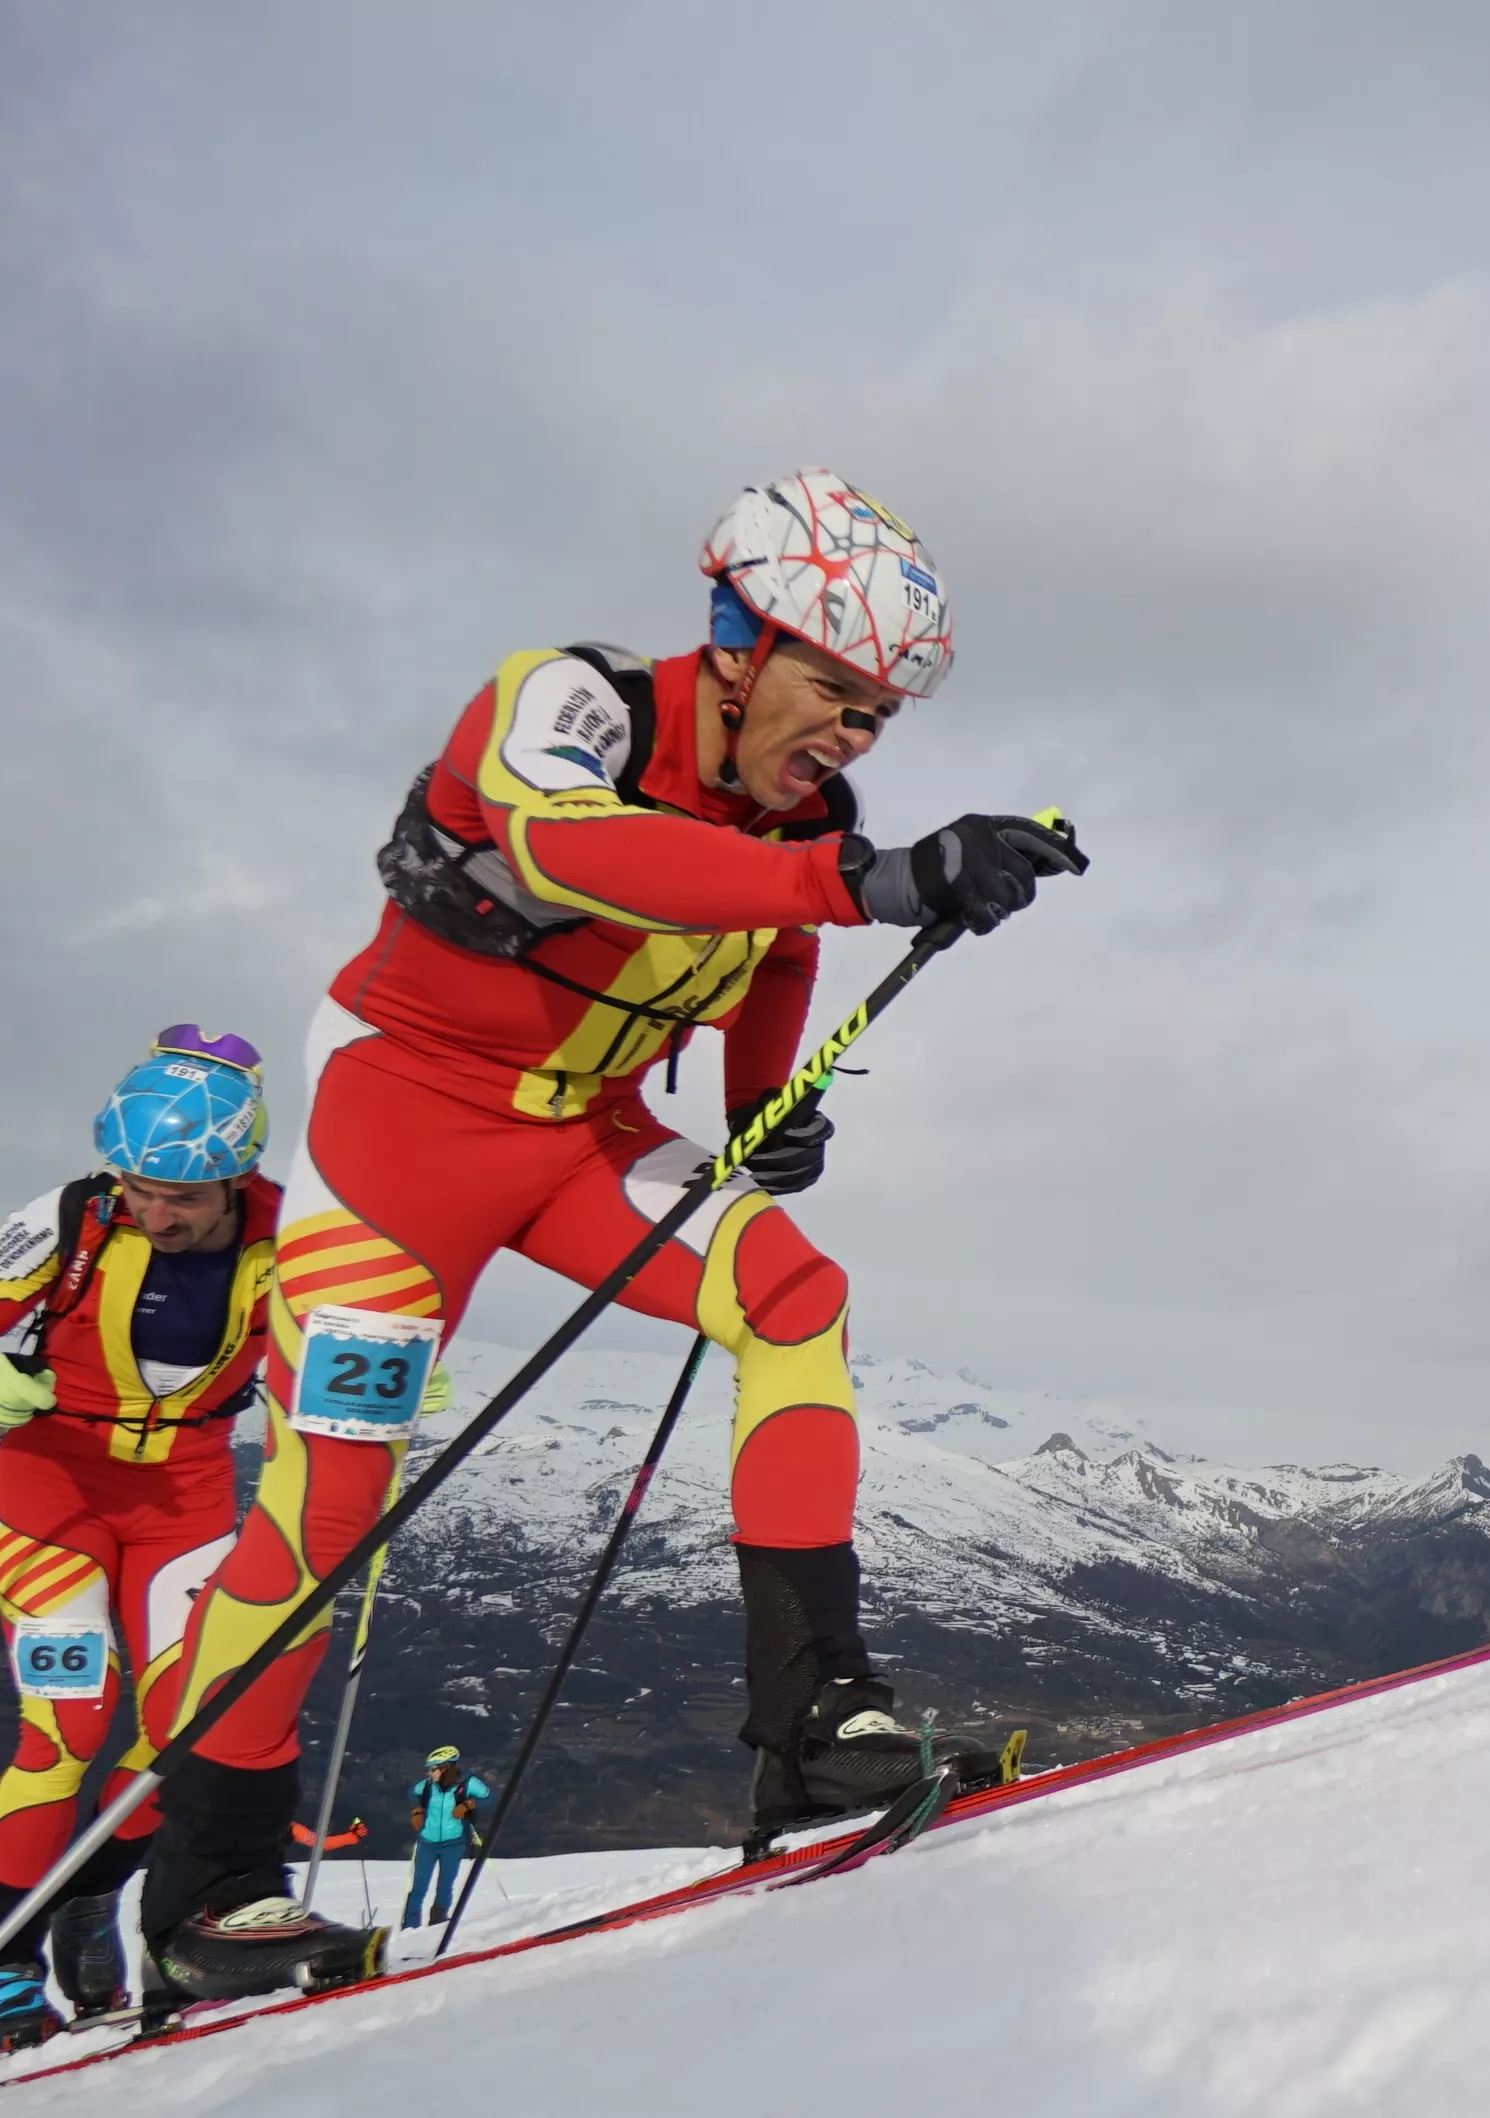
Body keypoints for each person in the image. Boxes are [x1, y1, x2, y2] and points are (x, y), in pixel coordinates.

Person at [136, 468, 1089, 2003]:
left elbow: (771, 951)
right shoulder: (567, 704)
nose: (848, 740)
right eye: (832, 694)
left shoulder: (809, 820)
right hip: (400, 1136)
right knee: (327, 1503)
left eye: (878, 719)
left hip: (589, 1135)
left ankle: (812, 1729)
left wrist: (765, 1110)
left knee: (792, 1291)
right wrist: (872, 876)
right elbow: (584, 851)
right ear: (734, 643)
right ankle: (212, 1876)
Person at [0, 1028, 284, 2057]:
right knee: (66, 1726)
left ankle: (85, 1897)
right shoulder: (70, 1215)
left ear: (237, 1176)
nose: (154, 1213)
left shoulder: (297, 1229)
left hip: (185, 1503)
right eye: (139, 1189)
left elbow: (342, 1332)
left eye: (182, 1199)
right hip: (50, 1492)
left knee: (180, 1733)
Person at [400, 1747, 491, 1929]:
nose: (429, 1773)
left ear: (445, 1768)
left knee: (445, 1885)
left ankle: (438, 1921)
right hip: (427, 1843)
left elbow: (489, 1797)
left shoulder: (468, 1783)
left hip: (454, 1843)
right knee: (419, 1885)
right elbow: (412, 1793)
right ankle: (409, 1925)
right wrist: (417, 1811)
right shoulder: (427, 1785)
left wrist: (468, 1804)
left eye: (433, 1769)